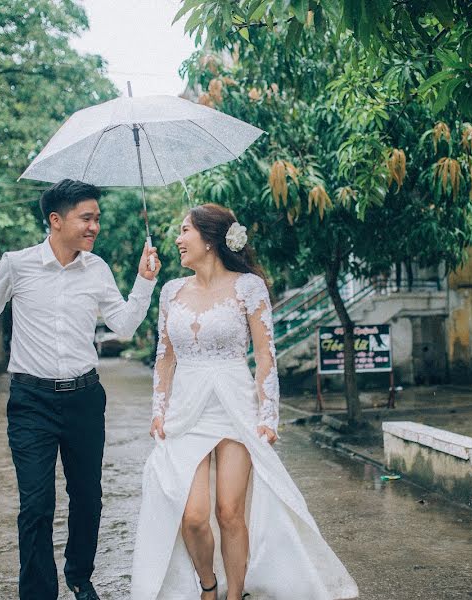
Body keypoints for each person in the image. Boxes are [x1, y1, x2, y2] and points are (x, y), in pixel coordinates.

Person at [130, 204, 357, 600]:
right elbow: (165, 357)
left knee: (229, 512)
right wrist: (158, 410)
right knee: (193, 515)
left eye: (185, 231)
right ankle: (208, 585)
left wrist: (269, 414)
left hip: (235, 406)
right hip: (185, 412)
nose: (178, 240)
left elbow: (266, 355)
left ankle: (235, 594)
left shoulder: (249, 287)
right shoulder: (170, 292)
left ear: (211, 239)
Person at [0, 179, 160, 600]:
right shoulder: (18, 264)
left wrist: (143, 282)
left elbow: (122, 324)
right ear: (56, 220)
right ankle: (37, 593)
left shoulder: (97, 268)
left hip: (85, 398)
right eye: (87, 218)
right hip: (31, 402)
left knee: (88, 498)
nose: (94, 227)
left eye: (97, 219)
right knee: (36, 504)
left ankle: (81, 577)